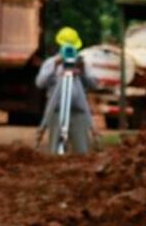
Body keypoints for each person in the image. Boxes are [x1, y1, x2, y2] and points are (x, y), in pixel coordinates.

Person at [35, 26, 100, 154]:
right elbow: (40, 83)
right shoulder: (51, 63)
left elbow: (94, 84)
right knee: (55, 150)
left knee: (82, 151)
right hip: (56, 112)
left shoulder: (82, 63)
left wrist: (83, 71)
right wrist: (55, 65)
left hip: (78, 112)